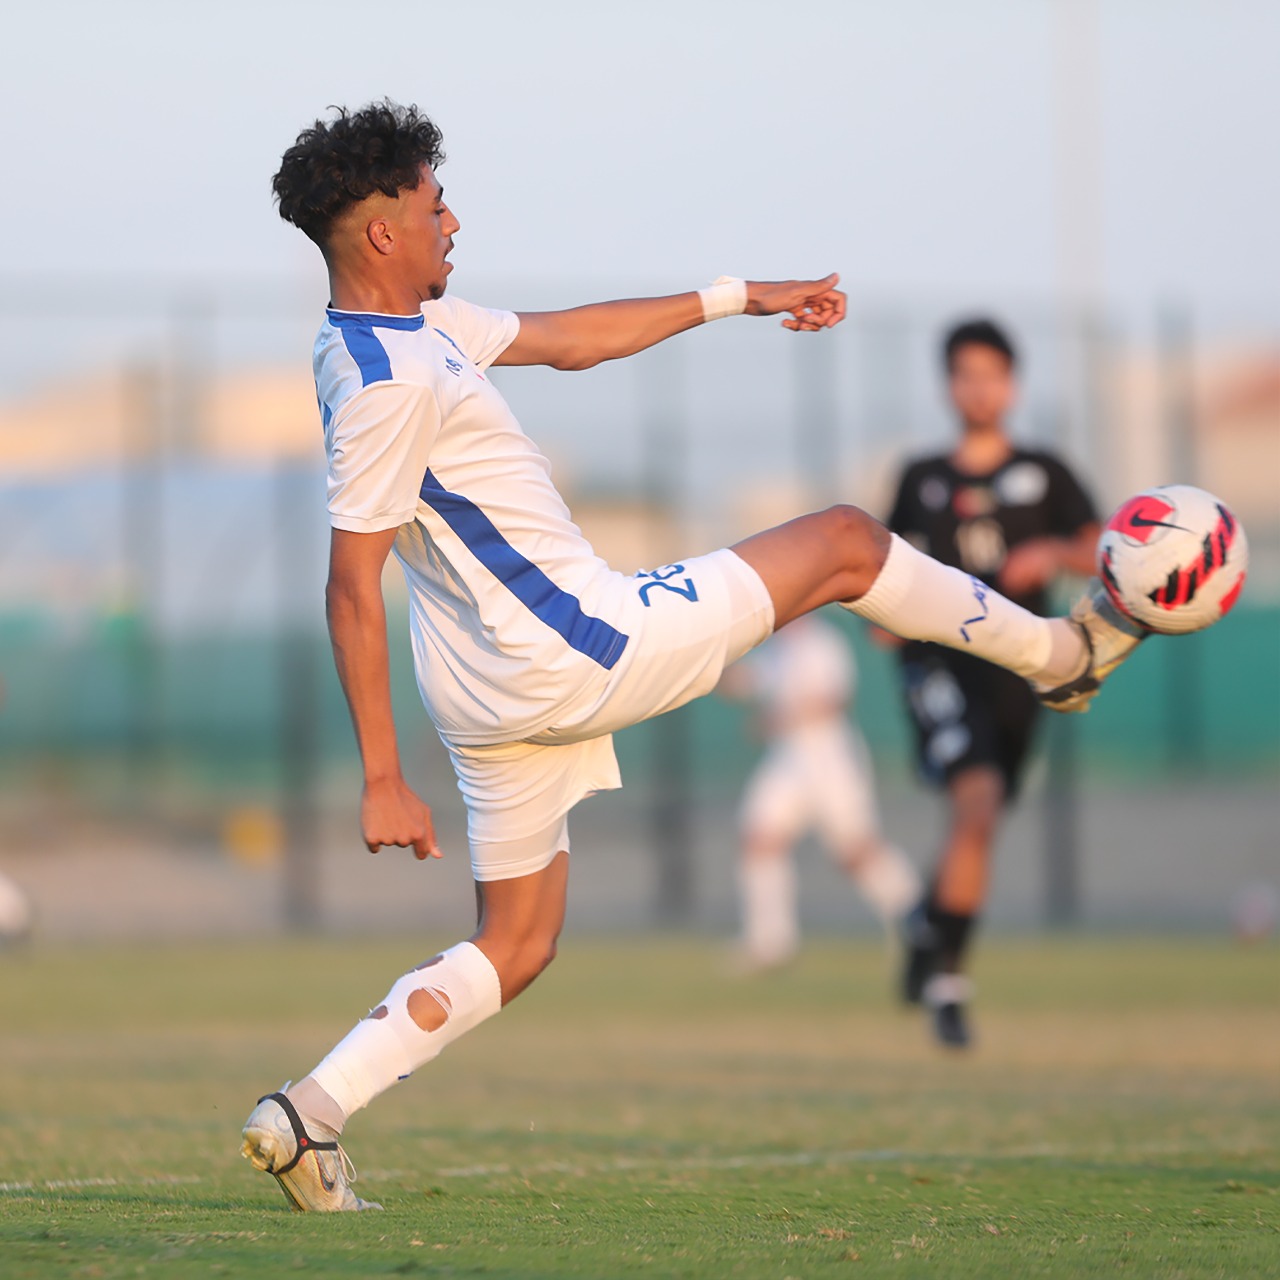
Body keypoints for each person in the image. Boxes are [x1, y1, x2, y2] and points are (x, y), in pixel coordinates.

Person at [240, 101, 1145, 1211]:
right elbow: (350, 582)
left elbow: (575, 338)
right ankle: (1061, 656)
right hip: (572, 644)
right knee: (846, 542)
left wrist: (739, 295)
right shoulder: (390, 382)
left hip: (487, 689)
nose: (453, 222)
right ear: (383, 231)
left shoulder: (385, 335)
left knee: (516, 943)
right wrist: (381, 775)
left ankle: (310, 1112)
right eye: (435, 207)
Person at [885, 318, 1103, 1049]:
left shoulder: (1045, 471)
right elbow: (883, 566)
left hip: (1019, 669)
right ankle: (949, 987)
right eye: (965, 375)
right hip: (939, 665)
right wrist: (883, 618)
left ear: (1012, 385)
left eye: (991, 375)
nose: (978, 389)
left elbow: (1107, 547)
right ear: (948, 386)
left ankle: (927, 923)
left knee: (978, 818)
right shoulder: (922, 478)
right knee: (975, 803)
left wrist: (1054, 551)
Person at [724, 614, 919, 970]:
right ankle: (770, 941)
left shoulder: (823, 643)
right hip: (789, 758)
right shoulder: (777, 649)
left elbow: (833, 699)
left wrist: (781, 719)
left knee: (856, 852)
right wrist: (704, 668)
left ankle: (916, 920)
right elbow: (744, 681)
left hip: (829, 757)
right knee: (759, 839)